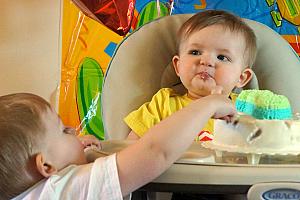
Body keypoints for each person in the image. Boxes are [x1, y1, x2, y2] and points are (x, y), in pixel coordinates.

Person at [0, 92, 235, 200]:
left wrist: (71, 148)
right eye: (63, 130)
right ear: (47, 167)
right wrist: (207, 105)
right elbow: (155, 150)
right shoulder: (62, 191)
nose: (74, 130)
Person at [124, 10, 256, 142]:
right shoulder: (162, 103)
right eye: (195, 52)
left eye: (222, 57)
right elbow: (129, 148)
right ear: (178, 66)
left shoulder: (247, 110)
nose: (206, 61)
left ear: (241, 78)